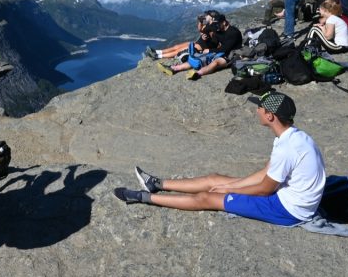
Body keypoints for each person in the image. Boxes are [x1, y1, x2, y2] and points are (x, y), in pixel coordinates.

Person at [115, 91, 325, 227]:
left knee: (207, 197)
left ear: (270, 116)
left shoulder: (287, 147)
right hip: (285, 195)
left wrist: (229, 190)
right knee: (215, 179)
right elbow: (266, 173)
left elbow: (265, 189)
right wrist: (229, 184)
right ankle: (156, 184)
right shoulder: (292, 136)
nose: (257, 110)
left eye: (260, 107)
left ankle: (143, 197)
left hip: (288, 209)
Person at [162, 14, 243, 80]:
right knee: (199, 58)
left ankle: (197, 74)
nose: (216, 26)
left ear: (224, 23)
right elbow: (204, 30)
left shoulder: (233, 33)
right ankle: (174, 68)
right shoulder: (219, 29)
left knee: (215, 62)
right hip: (220, 52)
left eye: (217, 24)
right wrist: (204, 33)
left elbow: (226, 48)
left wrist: (210, 51)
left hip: (231, 55)